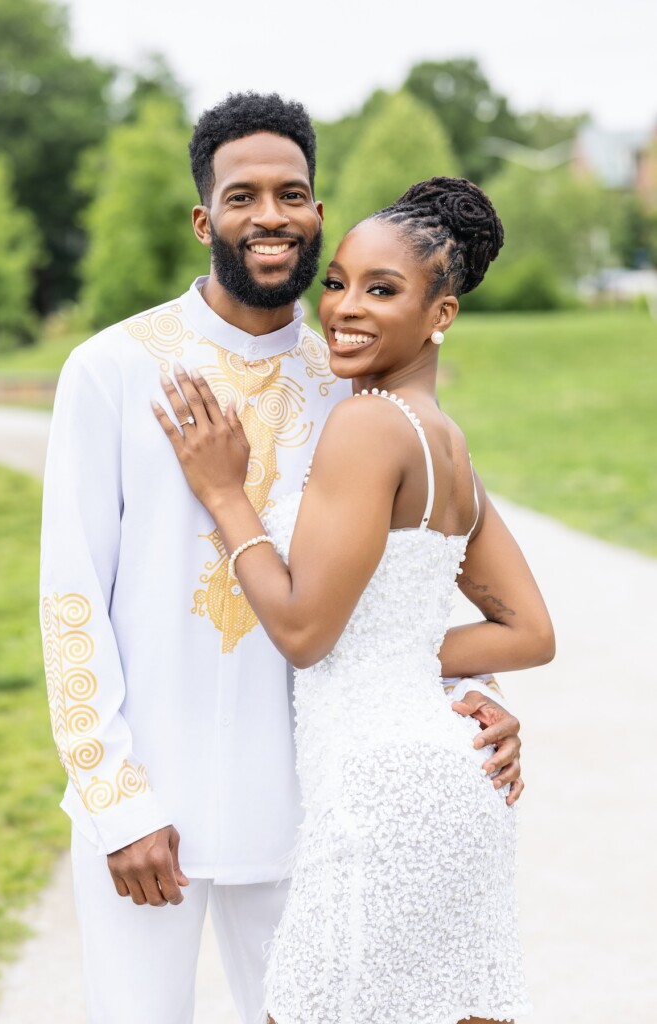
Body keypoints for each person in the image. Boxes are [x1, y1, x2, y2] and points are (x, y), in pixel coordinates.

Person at [40, 93, 524, 1024]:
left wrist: (480, 708)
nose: (269, 215)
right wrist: (115, 797)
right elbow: (70, 602)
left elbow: (417, 572)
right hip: (151, 808)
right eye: (242, 195)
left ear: (315, 211)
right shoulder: (110, 370)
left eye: (292, 194)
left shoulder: (348, 375)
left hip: (312, 813)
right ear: (203, 218)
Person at [154, 175, 554, 1024]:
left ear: (440, 315)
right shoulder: (445, 443)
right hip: (451, 786)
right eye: (336, 282)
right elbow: (528, 632)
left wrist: (226, 496)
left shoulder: (368, 426)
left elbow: (302, 631)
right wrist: (410, 666)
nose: (343, 307)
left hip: (377, 801)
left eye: (382, 289)